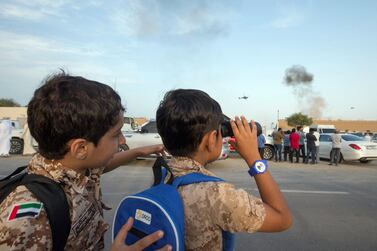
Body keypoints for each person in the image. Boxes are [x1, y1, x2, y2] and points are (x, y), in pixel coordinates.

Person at [0, 72, 171, 251]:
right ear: (81, 148)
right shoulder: (29, 221)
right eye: (116, 134)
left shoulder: (76, 168)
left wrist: (140, 151)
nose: (122, 141)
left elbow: (105, 165)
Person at [156, 89, 292, 251]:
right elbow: (283, 219)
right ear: (212, 139)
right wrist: (254, 159)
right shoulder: (217, 195)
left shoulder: (162, 174)